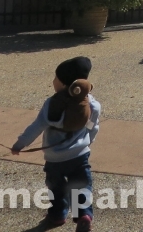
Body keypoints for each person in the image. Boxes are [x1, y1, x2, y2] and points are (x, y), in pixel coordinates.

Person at [12, 57, 100, 232]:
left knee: (56, 187)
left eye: (56, 78)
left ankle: (57, 215)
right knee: (81, 185)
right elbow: (93, 127)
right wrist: (87, 141)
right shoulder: (92, 105)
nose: (53, 81)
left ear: (63, 84)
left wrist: (20, 144)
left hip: (54, 159)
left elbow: (37, 127)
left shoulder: (51, 105)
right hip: (80, 155)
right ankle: (83, 214)